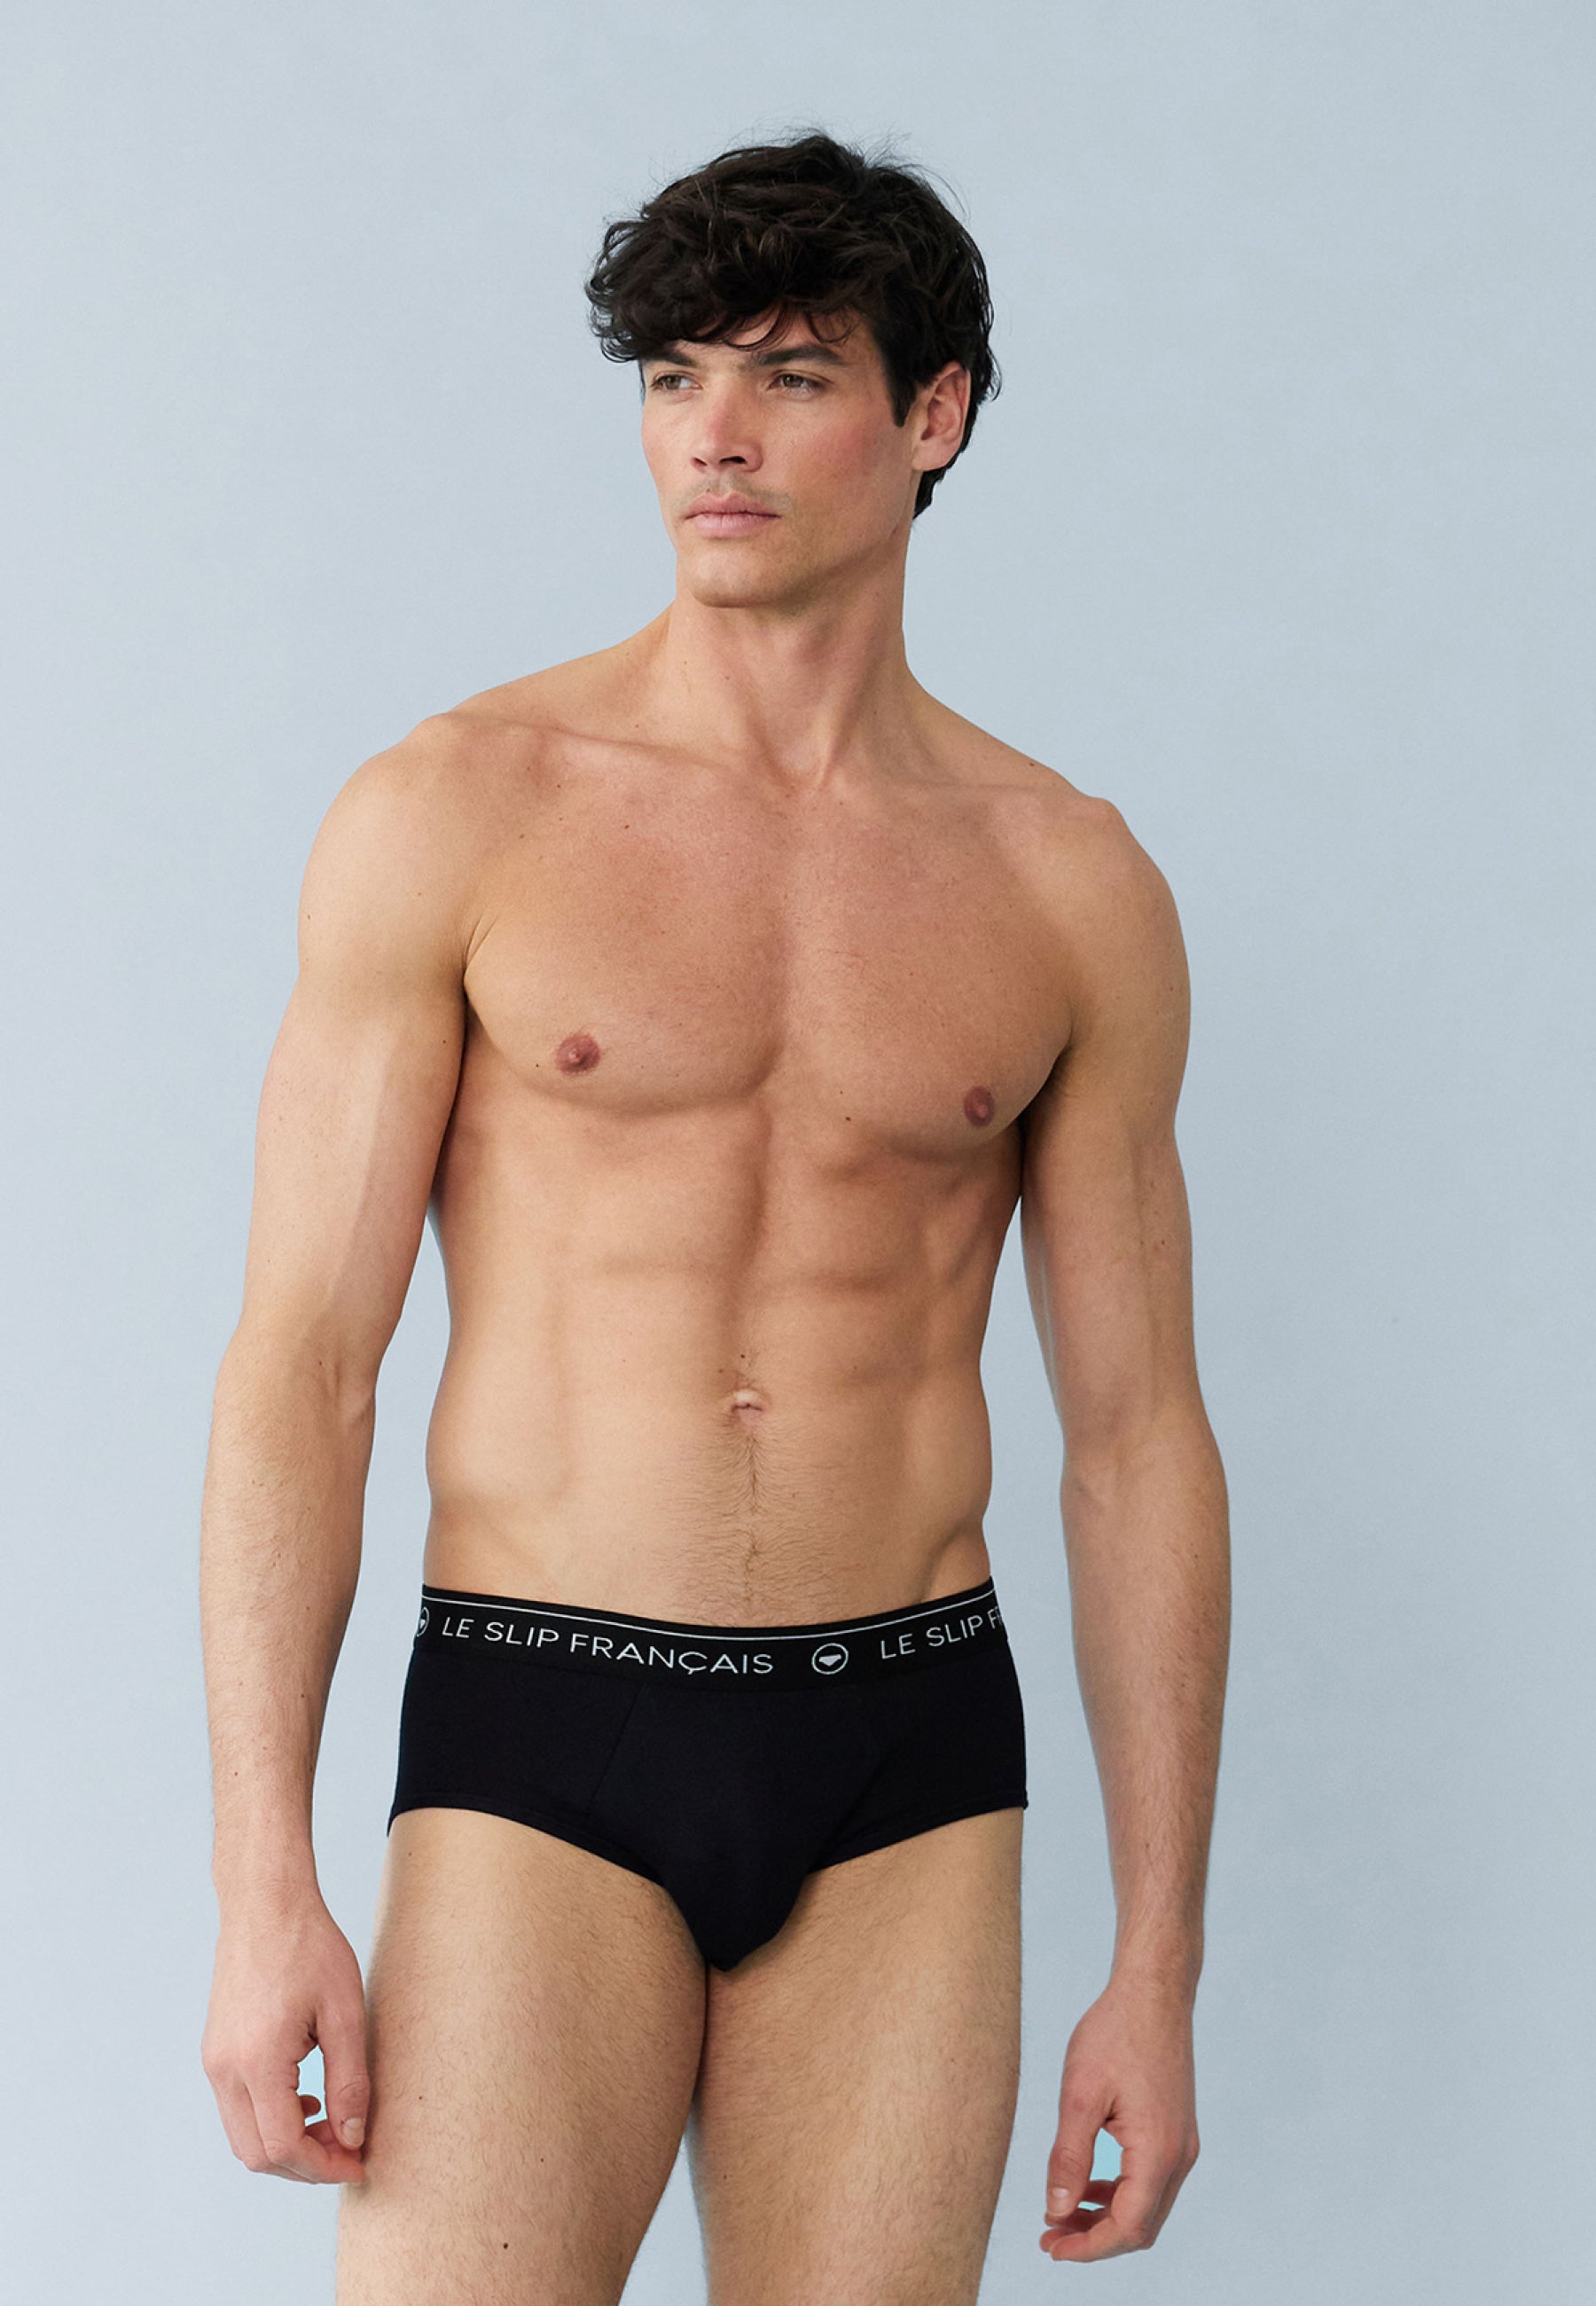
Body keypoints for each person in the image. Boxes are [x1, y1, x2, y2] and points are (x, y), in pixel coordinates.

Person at [199, 129, 1230, 2302]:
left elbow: (1138, 1437)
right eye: (675, 378)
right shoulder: (459, 808)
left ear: (934, 414)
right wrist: (262, 1880)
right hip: (539, 1724)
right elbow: (304, 1362)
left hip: (908, 1755)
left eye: (788, 374)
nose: (714, 436)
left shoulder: (1068, 883)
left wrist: (1158, 1962)